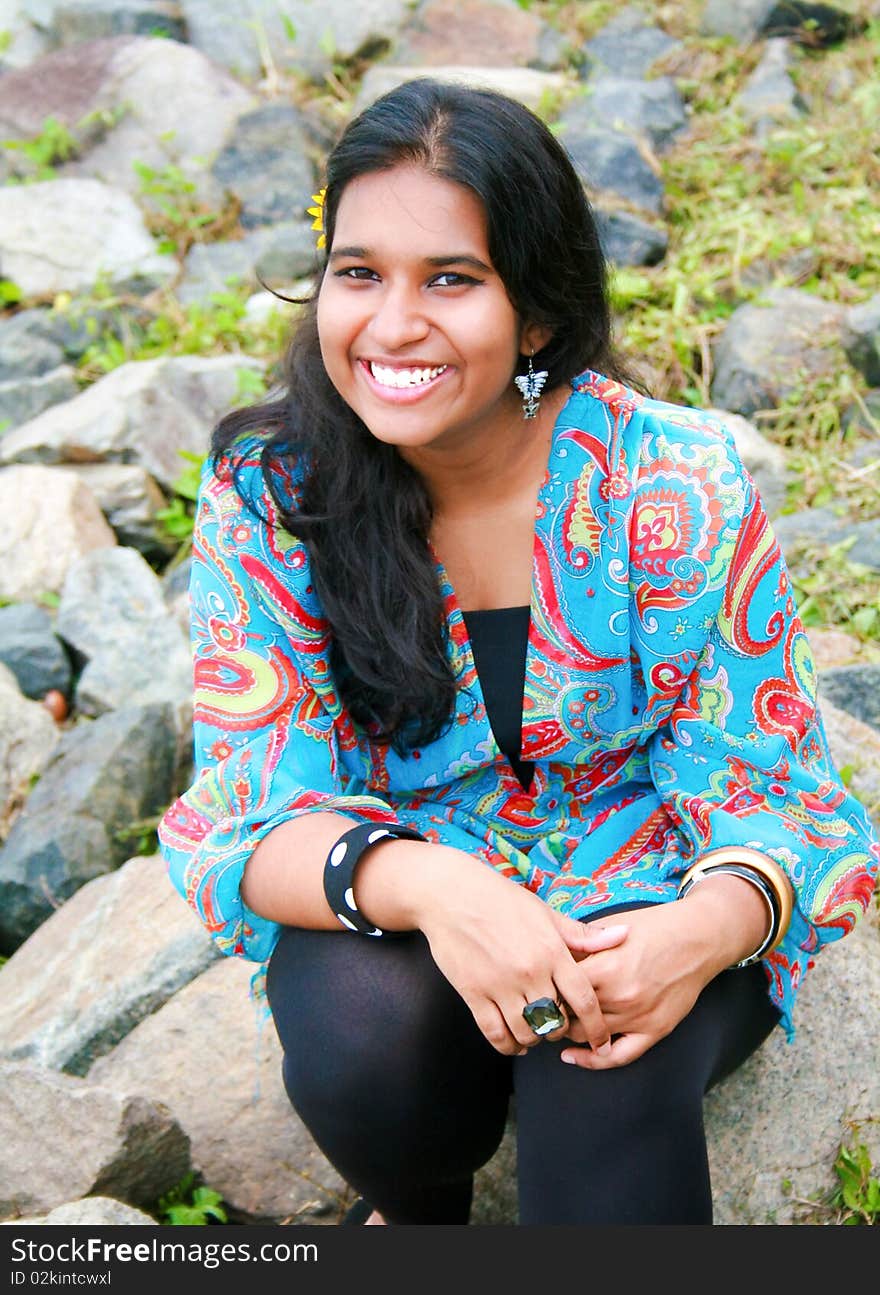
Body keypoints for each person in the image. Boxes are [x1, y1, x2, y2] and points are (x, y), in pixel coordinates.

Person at [157, 78, 879, 1227]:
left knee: (601, 1073)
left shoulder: (672, 482)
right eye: (359, 273)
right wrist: (437, 888)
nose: (391, 326)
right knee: (359, 1034)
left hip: (653, 885)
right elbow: (247, 817)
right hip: (412, 895)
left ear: (536, 313)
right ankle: (418, 1210)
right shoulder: (272, 493)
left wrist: (702, 930)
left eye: (451, 278)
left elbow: (776, 794)